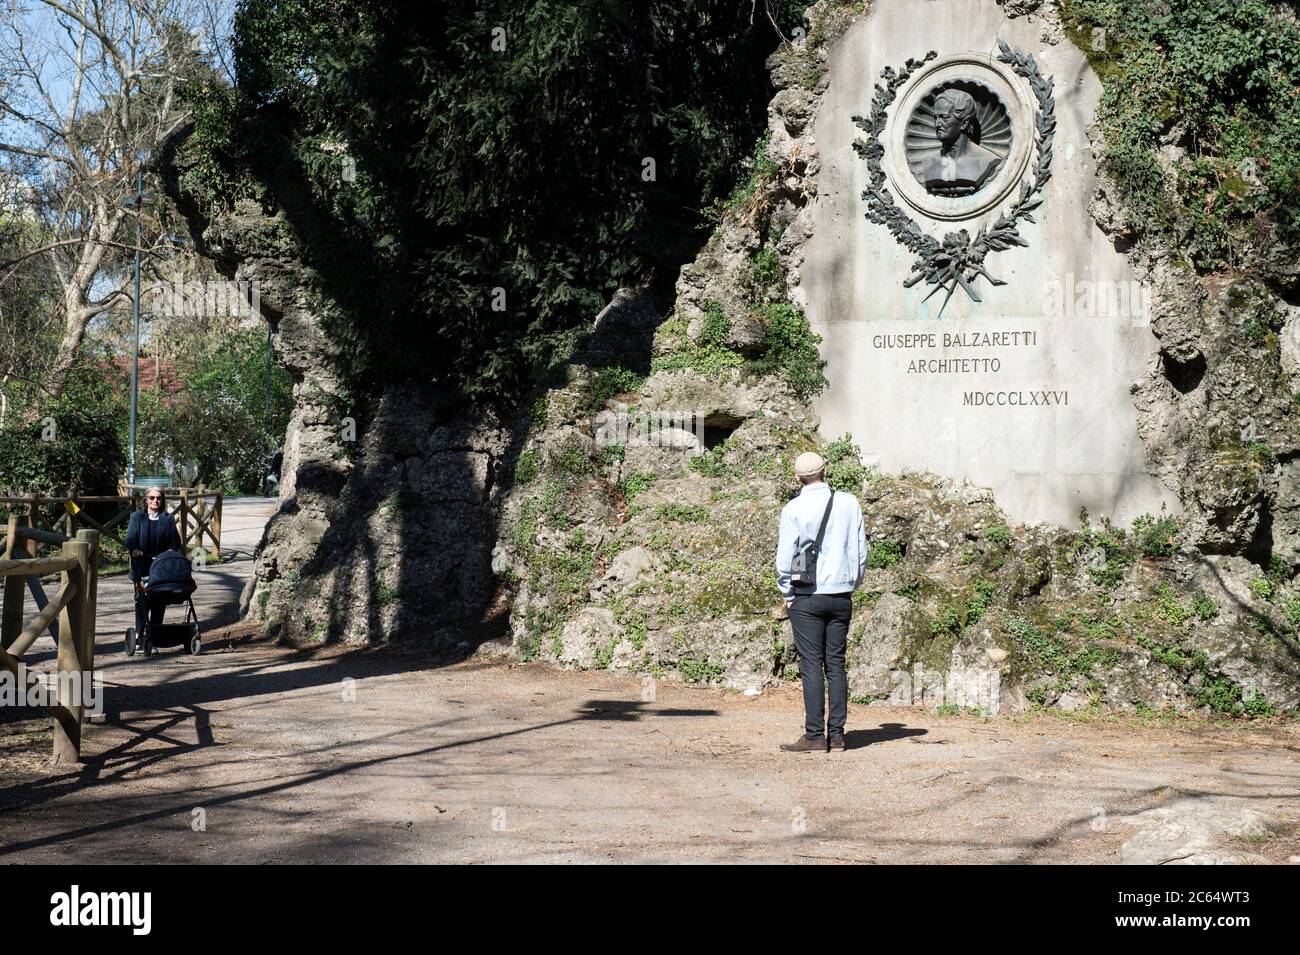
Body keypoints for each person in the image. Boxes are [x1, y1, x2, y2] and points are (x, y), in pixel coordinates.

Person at [775, 451, 867, 753]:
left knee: (812, 665)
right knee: (836, 664)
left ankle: (815, 735)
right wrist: (851, 584)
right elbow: (860, 551)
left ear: (798, 477)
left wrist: (788, 593)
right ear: (825, 471)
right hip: (841, 594)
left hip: (807, 595)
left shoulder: (794, 508)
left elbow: (785, 558)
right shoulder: (849, 502)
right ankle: (837, 735)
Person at [911, 88, 1003, 196]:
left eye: (944, 117)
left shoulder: (987, 160)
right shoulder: (930, 164)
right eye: (935, 118)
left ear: (964, 123)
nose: (937, 124)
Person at [126, 488, 182, 638]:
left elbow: (175, 541)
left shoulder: (167, 518)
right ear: (146, 500)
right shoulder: (137, 517)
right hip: (142, 566)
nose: (155, 501)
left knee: (160, 599)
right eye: (151, 497)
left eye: (158, 498)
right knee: (142, 600)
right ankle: (139, 634)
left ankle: (154, 635)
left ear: (162, 500)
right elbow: (130, 538)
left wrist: (171, 551)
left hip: (161, 567)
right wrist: (134, 550)